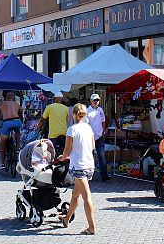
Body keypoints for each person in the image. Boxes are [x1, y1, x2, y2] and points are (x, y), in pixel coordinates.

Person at [59, 103, 96, 235]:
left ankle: (91, 228)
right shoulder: (88, 128)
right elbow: (92, 146)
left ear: (74, 114)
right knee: (75, 194)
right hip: (89, 165)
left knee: (87, 197)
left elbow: (67, 150)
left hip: (79, 166)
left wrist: (63, 158)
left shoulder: (72, 129)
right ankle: (66, 219)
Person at [0, 91, 22, 170]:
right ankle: (18, 147)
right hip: (17, 121)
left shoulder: (2, 104)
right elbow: (20, 114)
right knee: (18, 131)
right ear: (13, 97)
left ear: (5, 97)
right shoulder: (16, 104)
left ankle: (2, 163)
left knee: (3, 142)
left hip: (7, 122)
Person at [84, 93, 109, 181]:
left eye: (97, 100)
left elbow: (103, 121)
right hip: (90, 137)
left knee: (102, 156)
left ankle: (104, 175)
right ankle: (89, 174)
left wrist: (103, 131)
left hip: (99, 136)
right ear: (91, 101)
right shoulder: (87, 111)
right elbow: (86, 124)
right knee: (90, 157)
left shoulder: (100, 110)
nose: (96, 102)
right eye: (94, 100)